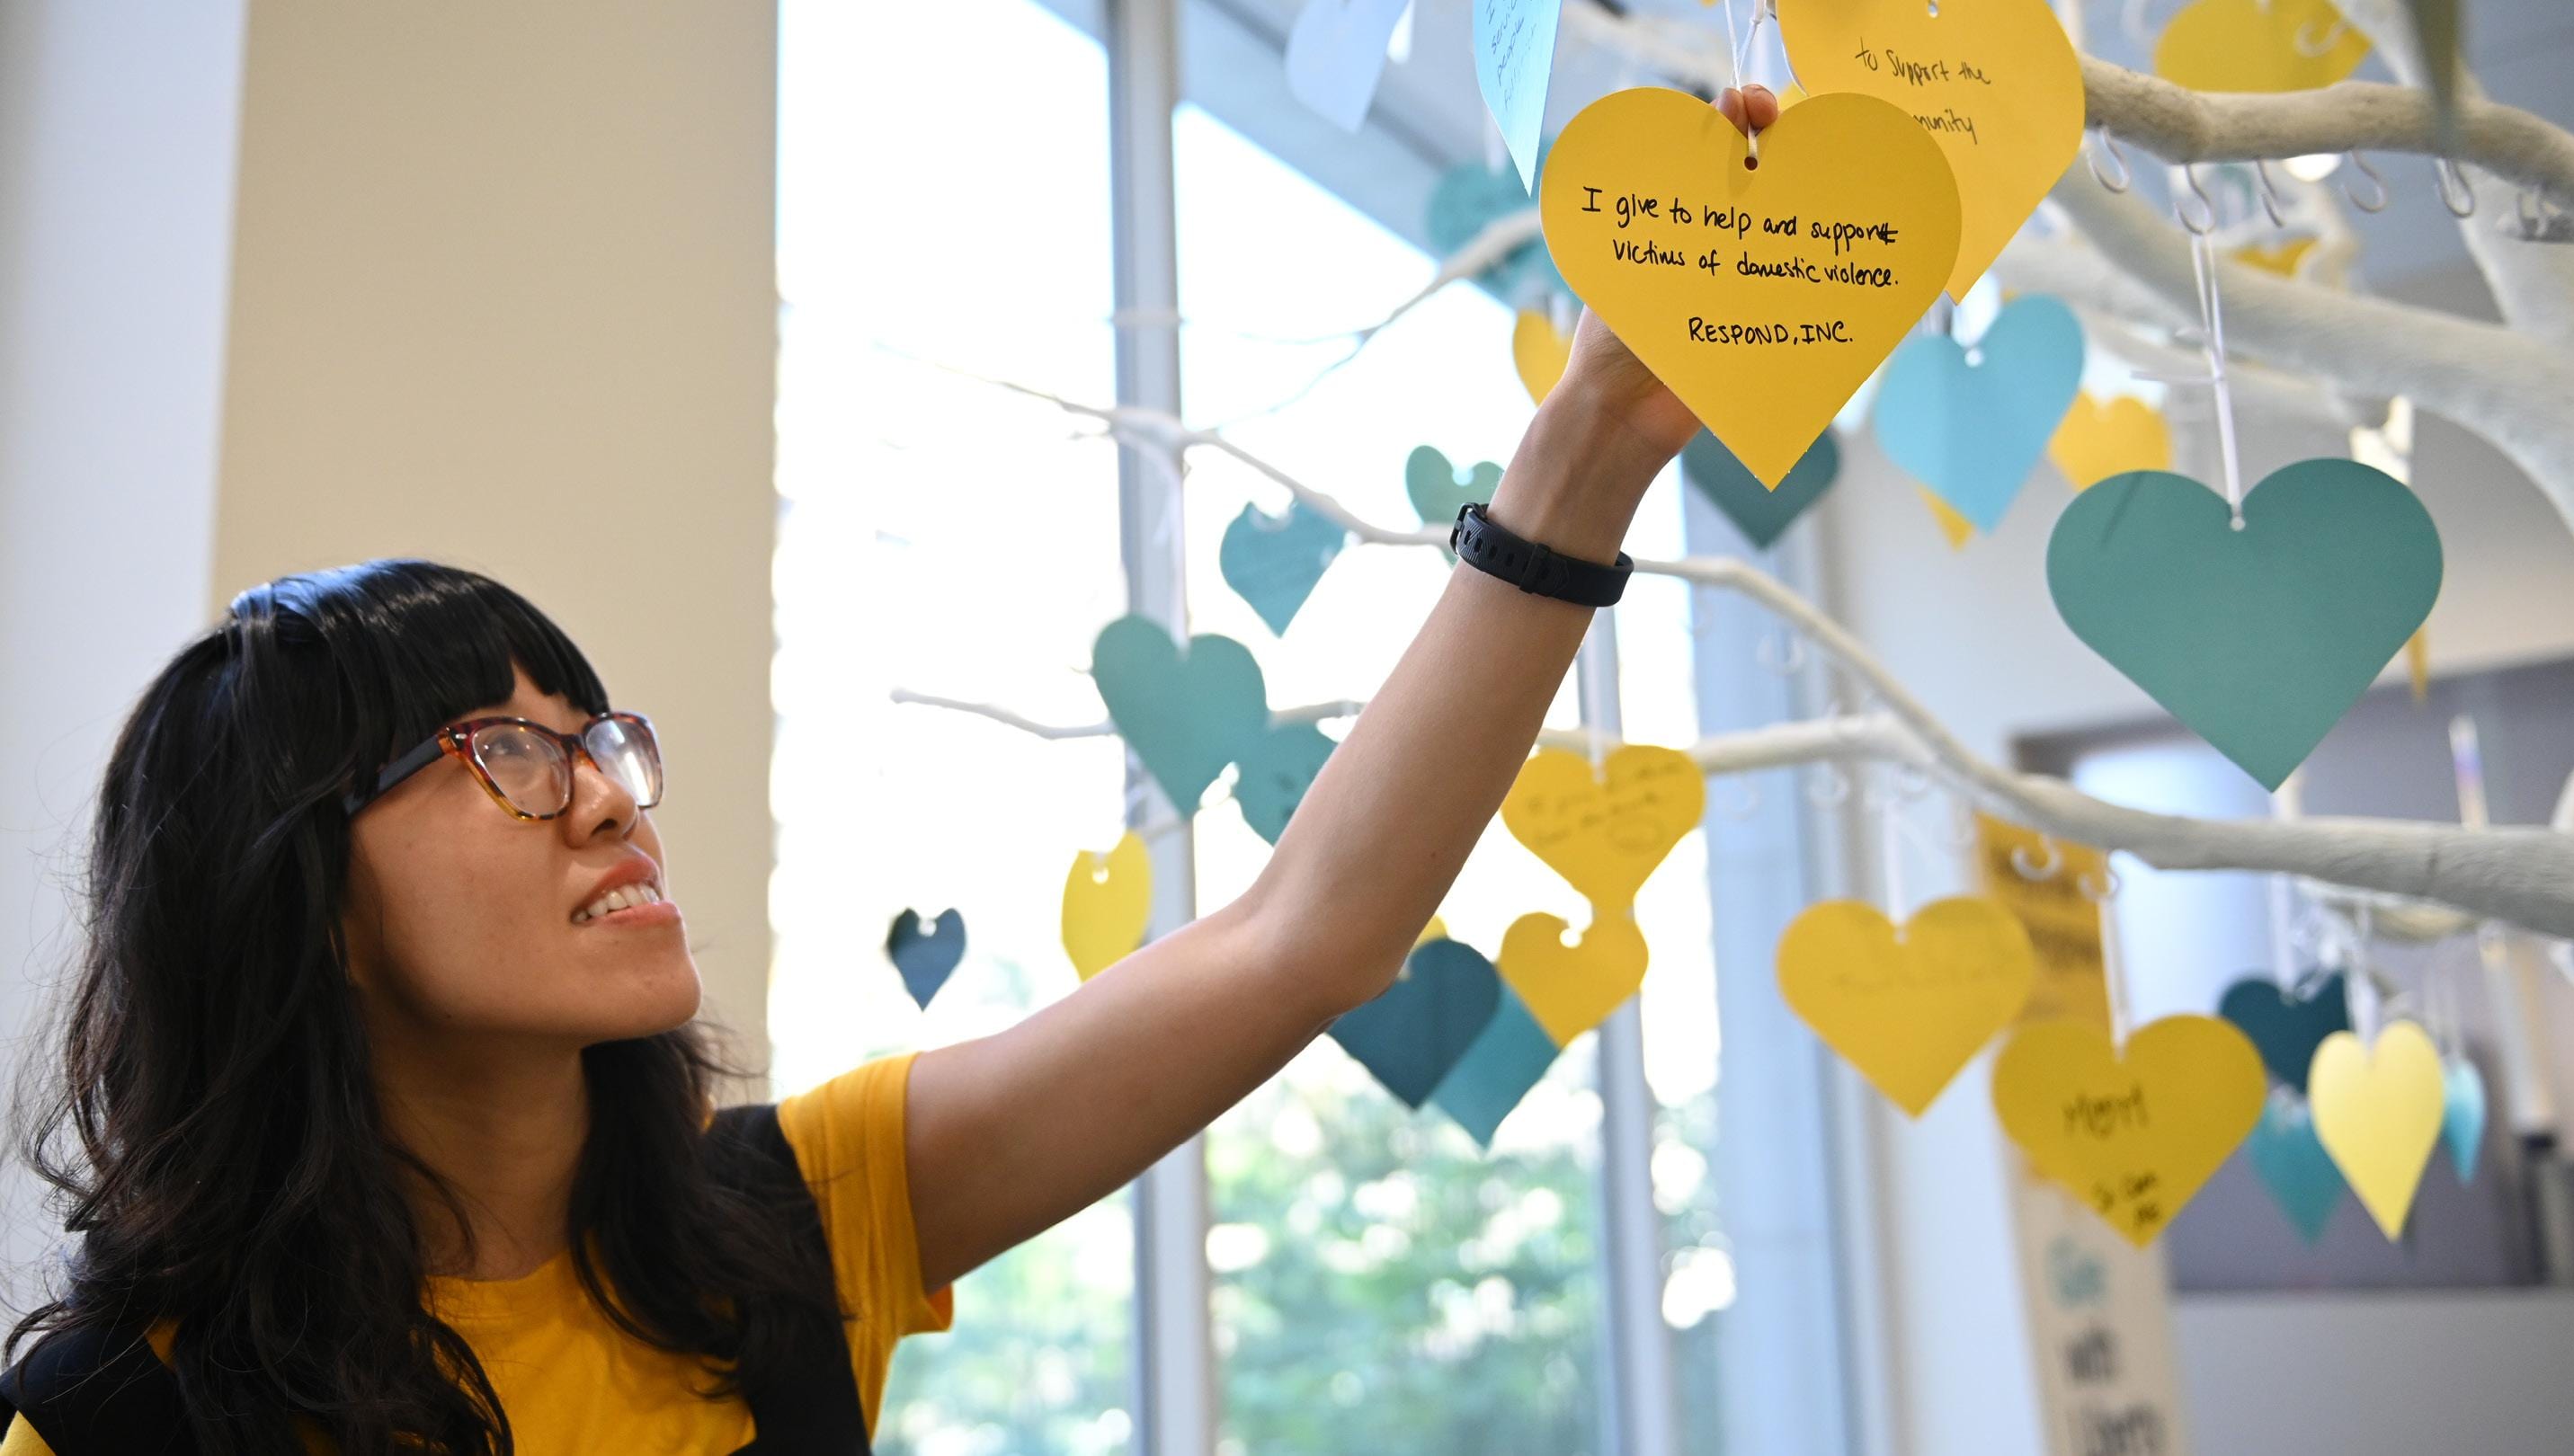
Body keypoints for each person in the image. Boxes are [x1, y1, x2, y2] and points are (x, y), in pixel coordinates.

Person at [0, 83, 1783, 1456]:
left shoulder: (778, 1230)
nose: (615, 796)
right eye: (505, 757)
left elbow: (1306, 941)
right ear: (302, 899)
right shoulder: (125, 1418)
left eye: (602, 737)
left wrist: (1584, 456)